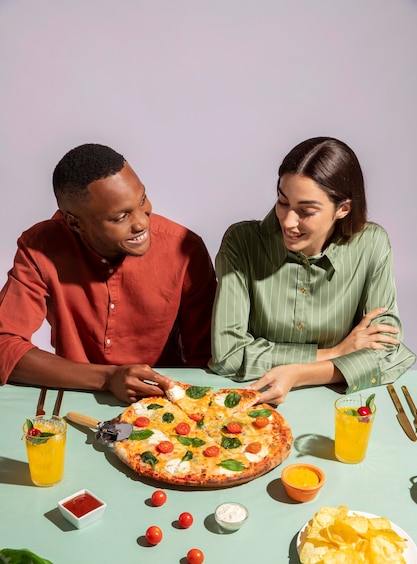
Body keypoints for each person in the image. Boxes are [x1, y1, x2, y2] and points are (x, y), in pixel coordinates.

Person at [0, 143, 217, 404]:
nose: (142, 222)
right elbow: (4, 345)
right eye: (121, 217)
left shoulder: (185, 249)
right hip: (73, 397)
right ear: (75, 223)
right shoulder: (40, 247)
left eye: (141, 200)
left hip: (165, 404)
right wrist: (106, 378)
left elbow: (205, 360)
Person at [209, 136, 415, 405]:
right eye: (283, 202)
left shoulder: (372, 244)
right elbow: (229, 355)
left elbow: (387, 353)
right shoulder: (242, 242)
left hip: (343, 403)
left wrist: (300, 374)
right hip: (253, 399)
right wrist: (336, 353)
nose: (289, 221)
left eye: (306, 211)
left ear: (343, 209)